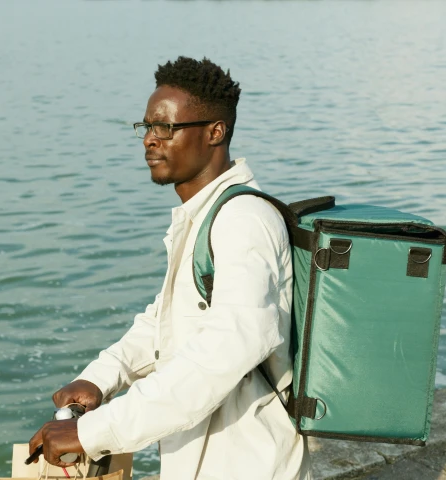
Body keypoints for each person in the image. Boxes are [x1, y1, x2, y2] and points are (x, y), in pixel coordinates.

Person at [28, 56, 310, 480]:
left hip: (248, 465)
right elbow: (167, 318)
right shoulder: (204, 216)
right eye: (146, 127)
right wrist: (102, 377)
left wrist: (93, 432)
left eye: (166, 127)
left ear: (216, 132)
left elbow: (225, 352)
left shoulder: (243, 221)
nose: (150, 140)